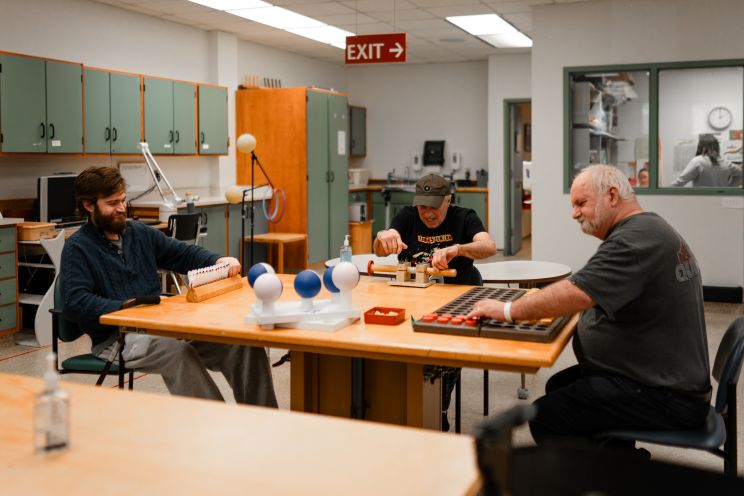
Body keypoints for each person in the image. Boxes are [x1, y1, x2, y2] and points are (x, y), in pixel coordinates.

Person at [467, 164, 711, 456]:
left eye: (581, 203)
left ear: (611, 195)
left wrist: (507, 310)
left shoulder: (634, 240)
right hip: (660, 377)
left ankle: (607, 476)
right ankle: (620, 456)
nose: (574, 213)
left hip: (667, 395)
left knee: (547, 416)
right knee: (559, 384)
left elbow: (578, 292)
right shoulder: (646, 228)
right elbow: (593, 287)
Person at [60, 166, 277, 407]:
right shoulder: (78, 248)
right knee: (177, 353)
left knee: (243, 346)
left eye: (122, 200)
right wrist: (125, 306)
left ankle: (264, 421)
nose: (121, 208)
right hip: (117, 339)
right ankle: (215, 427)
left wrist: (217, 260)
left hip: (163, 327)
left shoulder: (139, 233)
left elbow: (182, 254)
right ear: (89, 206)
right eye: (112, 203)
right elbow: (75, 302)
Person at [374, 173, 497, 430]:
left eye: (433, 207)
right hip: (415, 294)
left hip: (457, 294)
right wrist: (382, 238)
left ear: (448, 200)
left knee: (444, 352)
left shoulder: (464, 217)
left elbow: (488, 247)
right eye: (422, 206)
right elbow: (380, 247)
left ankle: (437, 407)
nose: (427, 213)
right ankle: (398, 404)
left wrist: (458, 249)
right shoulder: (407, 216)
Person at [672, 134, 742, 187]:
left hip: (701, 201)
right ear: (717, 147)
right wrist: (729, 188)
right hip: (721, 200)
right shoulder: (726, 163)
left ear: (700, 147)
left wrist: (663, 192)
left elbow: (679, 183)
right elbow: (741, 173)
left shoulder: (698, 161)